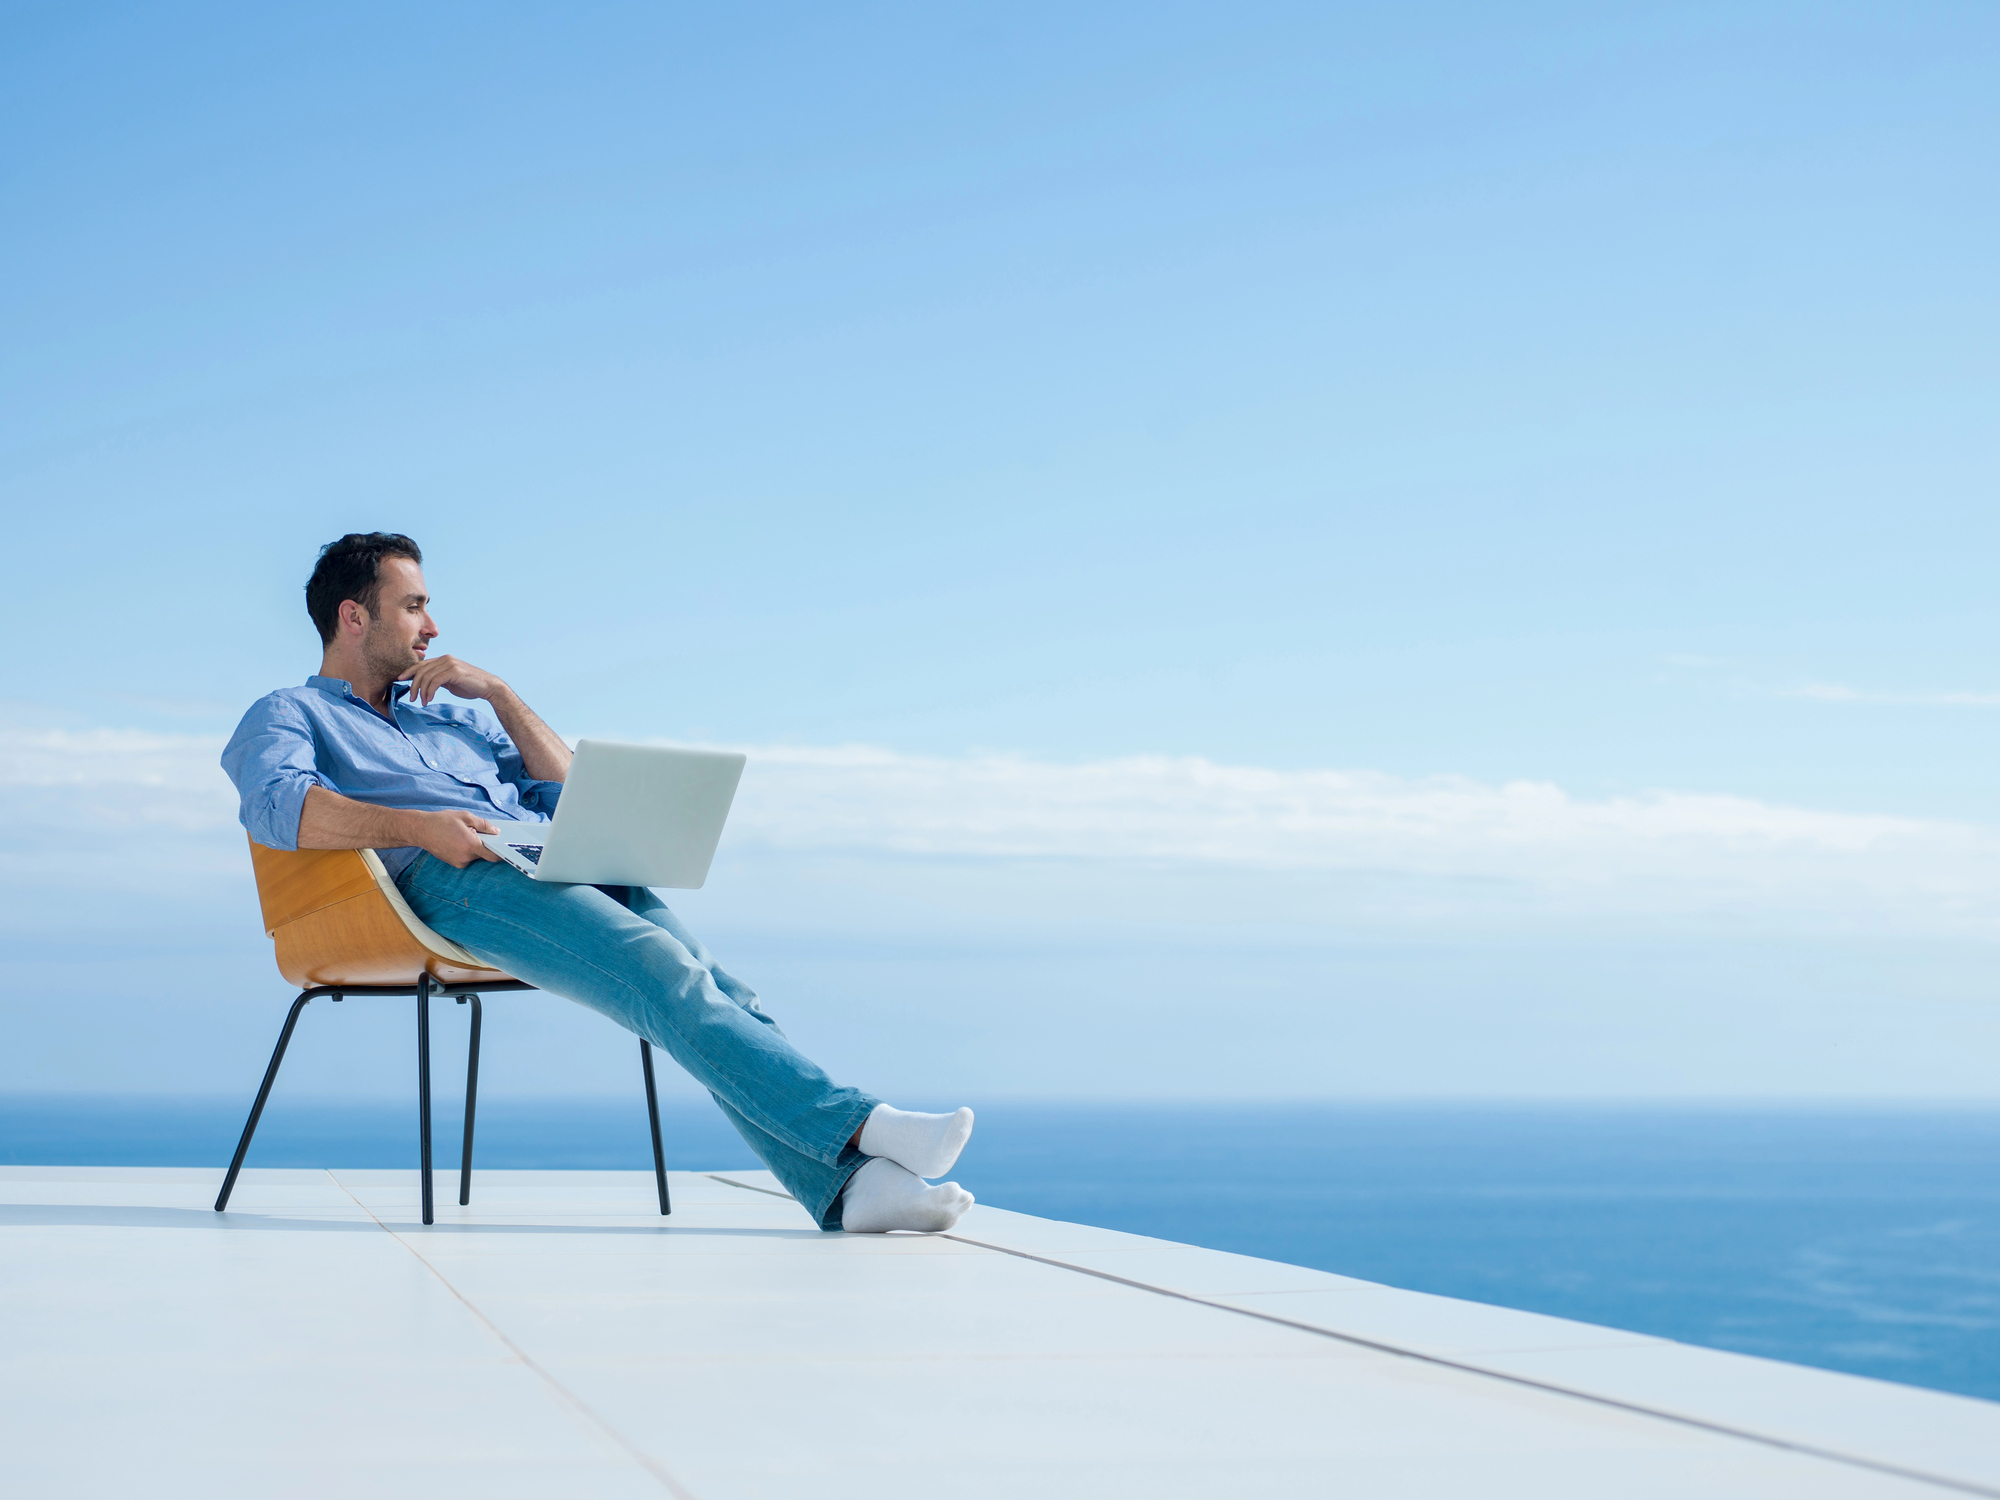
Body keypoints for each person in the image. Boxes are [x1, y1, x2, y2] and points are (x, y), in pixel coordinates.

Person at [221, 531, 975, 1234]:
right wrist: (420, 827)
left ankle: (844, 1192)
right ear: (353, 617)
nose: (433, 626)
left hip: (545, 859)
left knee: (714, 985)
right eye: (413, 605)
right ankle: (858, 1126)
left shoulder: (449, 720)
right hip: (445, 882)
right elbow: (277, 805)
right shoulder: (290, 713)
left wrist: (503, 698)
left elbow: (575, 794)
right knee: (661, 972)